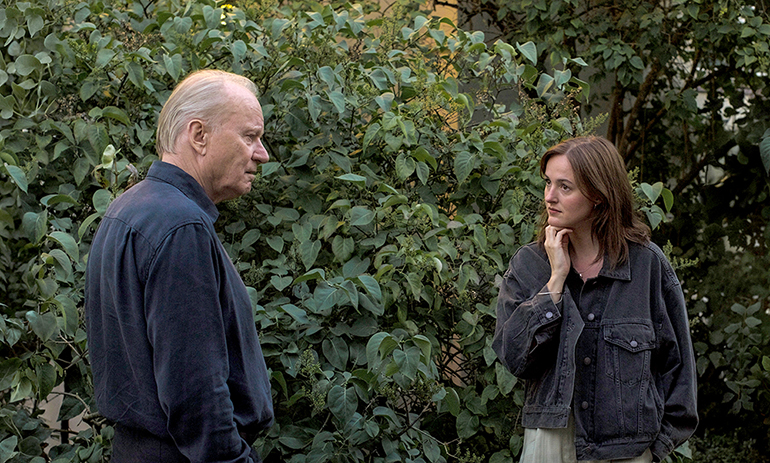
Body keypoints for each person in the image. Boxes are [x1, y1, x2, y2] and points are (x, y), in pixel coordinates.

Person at [85, 70, 274, 463]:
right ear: (199, 135)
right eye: (250, 136)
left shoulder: (131, 208)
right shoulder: (180, 225)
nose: (262, 153)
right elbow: (196, 394)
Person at [492, 136, 697, 463]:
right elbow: (514, 358)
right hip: (548, 447)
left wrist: (653, 452)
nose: (549, 197)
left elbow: (678, 369)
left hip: (627, 452)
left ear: (599, 196)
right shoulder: (529, 265)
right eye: (548, 183)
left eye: (565, 187)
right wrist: (555, 281)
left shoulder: (646, 266)